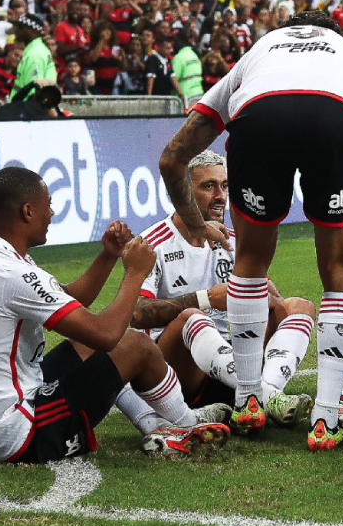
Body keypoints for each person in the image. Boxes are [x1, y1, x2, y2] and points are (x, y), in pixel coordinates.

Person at [159, 11, 343, 451]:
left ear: (282, 33)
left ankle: (249, 399)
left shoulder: (257, 56)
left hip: (259, 118)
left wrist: (196, 223)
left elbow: (172, 158)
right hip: (334, 121)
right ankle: (326, 420)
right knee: (340, 273)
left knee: (250, 263)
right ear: (334, 35)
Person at [0, 166, 231, 463]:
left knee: (89, 345)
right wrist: (135, 273)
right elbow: (107, 335)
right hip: (18, 432)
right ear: (28, 212)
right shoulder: (12, 273)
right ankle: (185, 424)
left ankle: (158, 423)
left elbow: (68, 298)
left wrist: (108, 255)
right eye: (48, 206)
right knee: (135, 346)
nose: (52, 214)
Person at [118, 150, 317, 432]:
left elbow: (275, 299)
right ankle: (266, 395)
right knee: (192, 317)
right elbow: (136, 313)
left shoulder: (234, 241)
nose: (220, 195)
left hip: (241, 356)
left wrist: (257, 295)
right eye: (208, 186)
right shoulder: (152, 244)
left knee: (299, 307)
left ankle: (257, 397)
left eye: (224, 186)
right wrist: (208, 298)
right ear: (184, 193)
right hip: (183, 373)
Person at [9, 13, 57, 102]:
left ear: (32, 31)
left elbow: (33, 91)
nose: (16, 30)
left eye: (20, 28)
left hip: (26, 110)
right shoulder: (38, 49)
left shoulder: (34, 54)